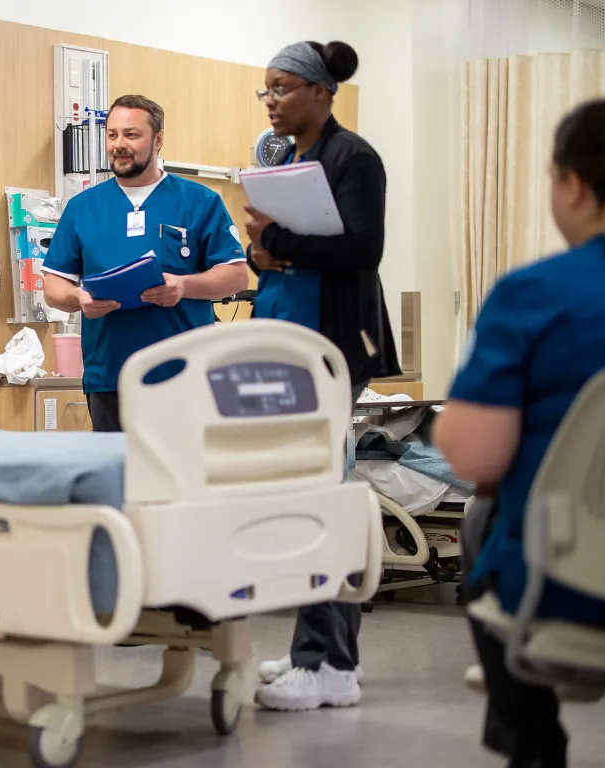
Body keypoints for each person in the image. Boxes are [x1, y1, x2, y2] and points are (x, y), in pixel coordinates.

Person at [432, 97, 605, 768]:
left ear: (572, 184)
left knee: (484, 518)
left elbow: (475, 457)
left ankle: (534, 749)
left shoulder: (535, 293)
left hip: (569, 585)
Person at [246, 40, 401, 713]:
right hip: (291, 346)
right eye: (266, 91)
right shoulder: (289, 161)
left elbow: (363, 250)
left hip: (333, 351)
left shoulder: (352, 157)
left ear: (319, 90)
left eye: (282, 88)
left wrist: (275, 243)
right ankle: (320, 648)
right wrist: (264, 257)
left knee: (320, 504)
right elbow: (288, 259)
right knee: (300, 499)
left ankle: (329, 663)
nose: (272, 102)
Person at [41, 94, 250, 432]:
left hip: (183, 375)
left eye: (131, 135)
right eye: (112, 135)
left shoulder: (200, 202)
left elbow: (236, 276)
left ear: (158, 139)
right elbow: (53, 287)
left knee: (182, 480)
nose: (119, 145)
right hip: (110, 376)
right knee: (117, 480)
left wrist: (184, 285)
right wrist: (79, 298)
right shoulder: (83, 208)